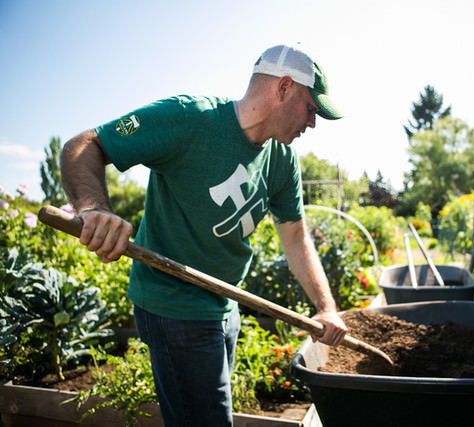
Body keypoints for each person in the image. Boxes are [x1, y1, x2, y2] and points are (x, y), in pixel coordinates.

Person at [60, 44, 348, 427]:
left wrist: (326, 307)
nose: (312, 124)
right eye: (311, 109)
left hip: (225, 303)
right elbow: (84, 145)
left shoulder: (281, 159)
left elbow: (296, 238)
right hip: (174, 303)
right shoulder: (188, 118)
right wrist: (95, 210)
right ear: (283, 89)